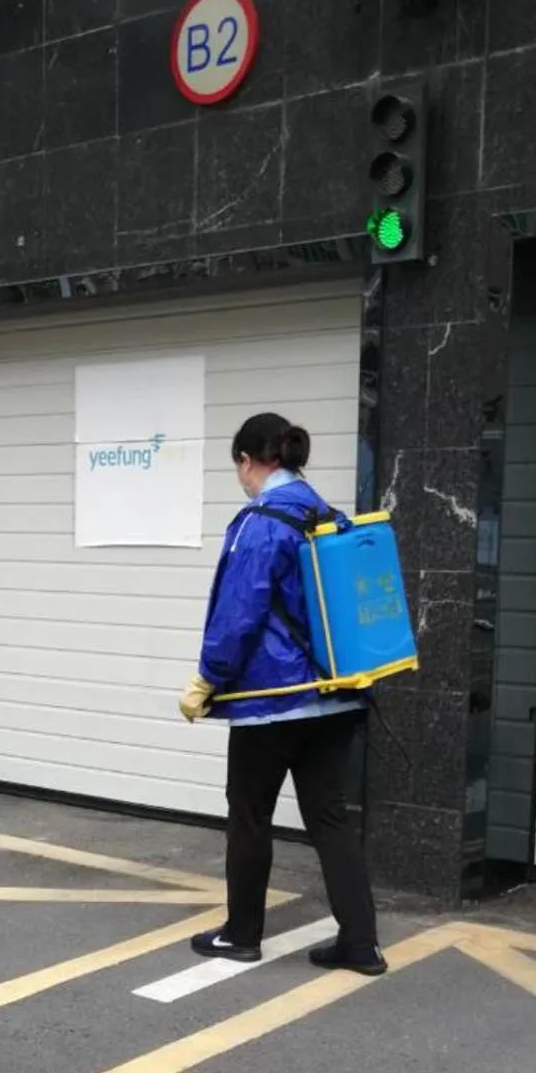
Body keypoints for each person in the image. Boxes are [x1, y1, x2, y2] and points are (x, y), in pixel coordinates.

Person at [179, 411, 386, 977]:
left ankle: (241, 934)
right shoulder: (330, 517)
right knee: (330, 818)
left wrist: (208, 678)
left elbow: (238, 611)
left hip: (272, 699)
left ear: (249, 461)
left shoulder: (259, 524)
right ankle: (360, 943)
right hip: (336, 694)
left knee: (250, 814)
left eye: (238, 468)